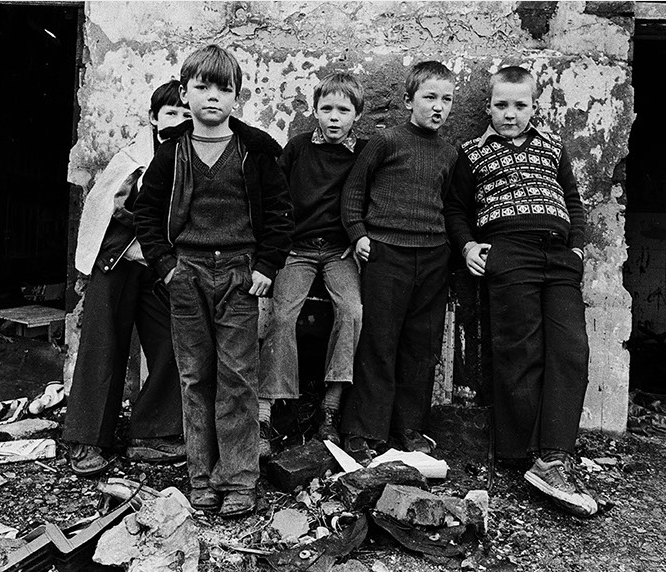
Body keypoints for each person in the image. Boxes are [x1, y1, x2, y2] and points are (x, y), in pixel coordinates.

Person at [134, 44, 294, 518]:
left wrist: (267, 266)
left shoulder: (255, 151)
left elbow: (280, 213)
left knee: (238, 377)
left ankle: (239, 480)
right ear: (185, 93)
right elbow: (146, 213)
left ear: (236, 97)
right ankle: (202, 478)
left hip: (240, 274)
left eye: (223, 89)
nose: (212, 97)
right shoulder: (172, 152)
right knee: (195, 377)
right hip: (188, 273)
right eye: (201, 87)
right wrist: (166, 267)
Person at [444, 66, 597, 517]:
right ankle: (524, 454)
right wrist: (468, 245)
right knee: (519, 349)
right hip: (508, 251)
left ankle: (554, 455)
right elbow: (455, 208)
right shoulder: (471, 152)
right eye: (501, 105)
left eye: (520, 105)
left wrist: (578, 249)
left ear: (533, 106)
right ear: (488, 106)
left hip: (558, 255)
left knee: (571, 349)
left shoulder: (552, 146)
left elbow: (573, 201)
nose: (510, 114)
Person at [64, 80, 191, 478]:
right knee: (103, 345)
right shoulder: (134, 157)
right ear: (153, 118)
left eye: (186, 114)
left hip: (156, 268)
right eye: (171, 113)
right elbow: (110, 206)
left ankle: (152, 433)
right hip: (116, 263)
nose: (179, 120)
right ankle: (86, 439)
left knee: (172, 341)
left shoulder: (191, 156)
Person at [339, 61, 458, 464]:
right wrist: (359, 235)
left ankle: (409, 427)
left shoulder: (449, 153)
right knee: (379, 340)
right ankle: (363, 429)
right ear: (408, 101)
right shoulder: (385, 142)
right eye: (429, 97)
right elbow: (353, 194)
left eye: (446, 100)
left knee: (421, 346)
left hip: (433, 257)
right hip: (386, 253)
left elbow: (450, 205)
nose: (438, 107)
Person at [257, 72, 366, 456]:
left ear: (357, 115)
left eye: (344, 110)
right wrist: (276, 246)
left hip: (339, 252)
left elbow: (373, 197)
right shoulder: (299, 147)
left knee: (351, 310)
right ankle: (266, 411)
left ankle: (330, 408)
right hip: (297, 249)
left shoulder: (363, 153)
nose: (334, 117)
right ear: (315, 110)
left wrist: (357, 237)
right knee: (283, 313)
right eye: (327, 109)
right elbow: (275, 195)